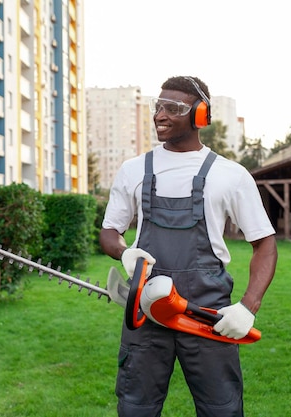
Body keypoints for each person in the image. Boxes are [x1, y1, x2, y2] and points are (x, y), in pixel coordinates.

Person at [99, 75, 278, 417]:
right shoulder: (133, 170)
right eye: (158, 106)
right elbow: (110, 232)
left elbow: (265, 244)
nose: (160, 115)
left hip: (206, 316)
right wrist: (125, 252)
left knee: (221, 410)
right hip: (145, 314)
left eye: (173, 108)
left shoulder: (231, 175)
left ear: (200, 115)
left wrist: (248, 306)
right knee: (136, 409)